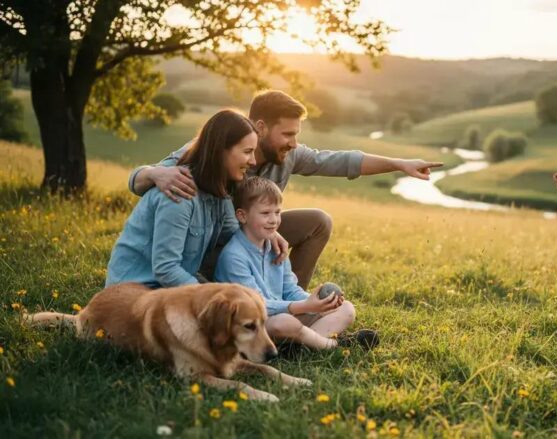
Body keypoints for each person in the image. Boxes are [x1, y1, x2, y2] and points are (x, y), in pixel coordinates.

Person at [127, 90, 443, 288]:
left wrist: (399, 163)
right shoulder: (219, 150)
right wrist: (154, 173)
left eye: (297, 135)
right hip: (210, 250)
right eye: (288, 133)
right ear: (261, 127)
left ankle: (291, 300)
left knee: (318, 221)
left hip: (251, 236)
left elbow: (341, 161)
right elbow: (140, 181)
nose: (294, 143)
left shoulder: (288, 156)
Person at [215, 176, 378, 351]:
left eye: (277, 212)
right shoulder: (234, 256)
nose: (274, 220)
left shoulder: (276, 247)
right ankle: (333, 345)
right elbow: (256, 306)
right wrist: (304, 306)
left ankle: (298, 348)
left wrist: (317, 303)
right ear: (242, 216)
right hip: (249, 324)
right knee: (284, 323)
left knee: (347, 309)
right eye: (265, 213)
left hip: (281, 314)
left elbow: (290, 290)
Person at [105, 110, 256, 288]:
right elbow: (166, 269)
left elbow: (234, 237)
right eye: (247, 152)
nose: (253, 161)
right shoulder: (179, 190)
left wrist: (266, 235)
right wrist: (206, 295)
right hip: (137, 292)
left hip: (170, 289)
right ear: (220, 150)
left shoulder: (218, 192)